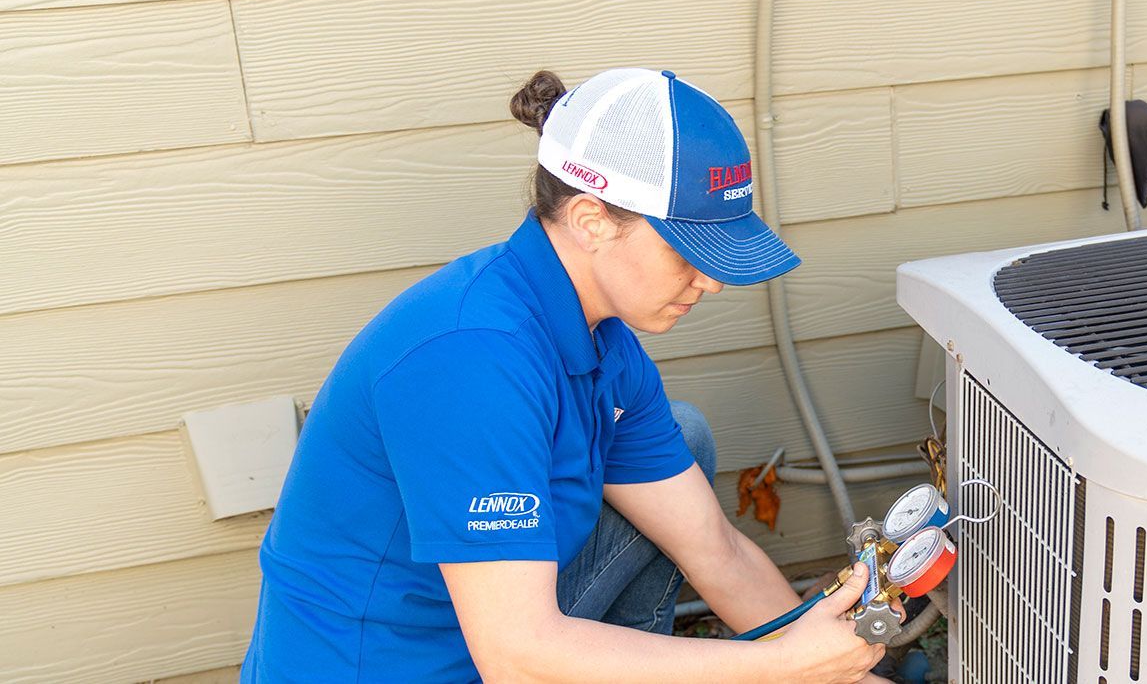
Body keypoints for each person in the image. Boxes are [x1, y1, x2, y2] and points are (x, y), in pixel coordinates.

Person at [241, 68, 888, 682]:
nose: (712, 280)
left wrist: (836, 669)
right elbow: (517, 657)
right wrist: (780, 667)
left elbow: (716, 550)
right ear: (590, 221)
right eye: (688, 250)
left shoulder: (603, 343)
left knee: (682, 437)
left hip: (484, 643)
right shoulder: (473, 360)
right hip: (394, 667)